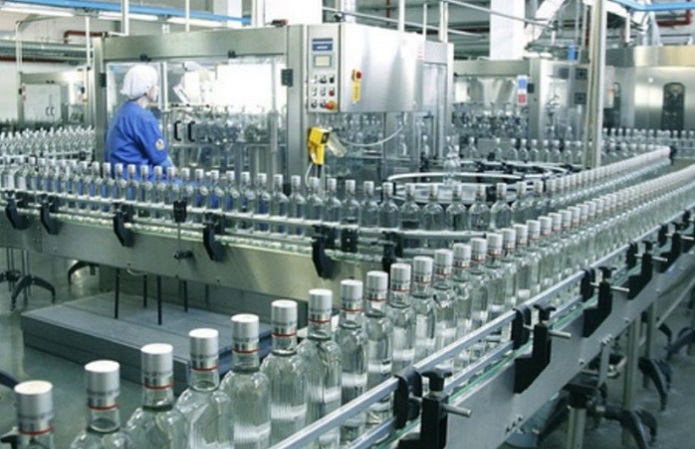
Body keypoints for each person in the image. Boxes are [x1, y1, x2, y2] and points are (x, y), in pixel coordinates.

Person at [105, 64, 173, 176]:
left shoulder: (122, 111)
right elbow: (161, 158)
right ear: (146, 89)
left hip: (120, 178)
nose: (157, 88)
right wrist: (175, 173)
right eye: (155, 85)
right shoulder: (143, 117)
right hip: (141, 179)